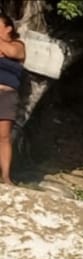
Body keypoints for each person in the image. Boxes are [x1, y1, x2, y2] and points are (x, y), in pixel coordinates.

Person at [0, 14, 25, 185]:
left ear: (8, 28)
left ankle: (6, 177)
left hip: (7, 95)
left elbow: (11, 52)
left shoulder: (18, 45)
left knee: (3, 137)